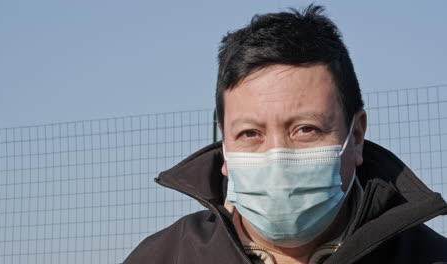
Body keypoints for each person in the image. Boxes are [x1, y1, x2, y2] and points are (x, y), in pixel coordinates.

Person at [124, 5, 447, 264]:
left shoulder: (430, 257)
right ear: (224, 146)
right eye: (250, 133)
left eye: (305, 129)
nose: (276, 158)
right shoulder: (166, 256)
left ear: (357, 135)